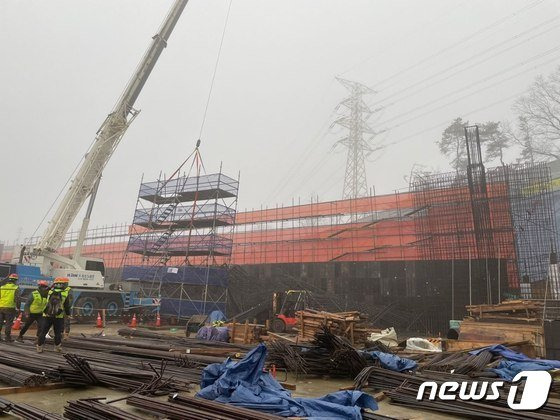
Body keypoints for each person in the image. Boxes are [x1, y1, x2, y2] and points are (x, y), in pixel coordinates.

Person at [37, 277, 72, 353]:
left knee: (43, 332)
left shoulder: (49, 292)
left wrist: (50, 287)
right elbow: (67, 306)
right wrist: (68, 314)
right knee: (57, 333)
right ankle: (57, 348)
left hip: (47, 315)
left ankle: (39, 347)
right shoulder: (65, 294)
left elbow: (42, 293)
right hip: (58, 316)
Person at [0, 274, 21, 342]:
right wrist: (18, 308)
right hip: (10, 308)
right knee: (8, 323)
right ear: (15, 281)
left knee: (0, 322)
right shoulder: (16, 288)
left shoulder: (2, 287)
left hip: (1, 307)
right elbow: (18, 299)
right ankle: (7, 337)